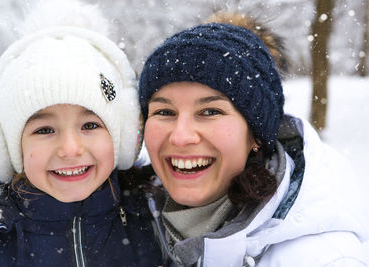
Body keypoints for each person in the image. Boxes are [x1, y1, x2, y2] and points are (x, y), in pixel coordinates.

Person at [138, 13, 369, 266]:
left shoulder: (324, 259)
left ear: (256, 136)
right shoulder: (129, 222)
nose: (181, 136)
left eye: (210, 112)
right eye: (164, 112)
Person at [0, 1, 162, 266]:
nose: (70, 148)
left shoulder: (155, 219)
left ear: (124, 137)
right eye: (45, 129)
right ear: (5, 147)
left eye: (90, 125)